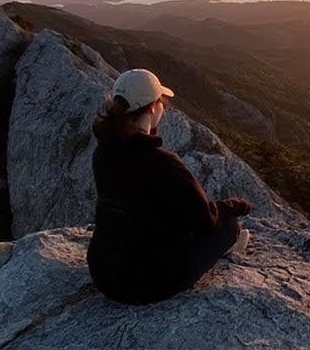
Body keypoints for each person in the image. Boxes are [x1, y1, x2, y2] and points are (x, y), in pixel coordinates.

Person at [87, 67, 253, 305]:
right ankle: (226, 246)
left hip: (103, 273)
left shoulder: (102, 153)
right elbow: (206, 220)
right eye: (162, 102)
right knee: (229, 226)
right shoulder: (164, 163)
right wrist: (232, 207)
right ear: (153, 108)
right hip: (150, 283)